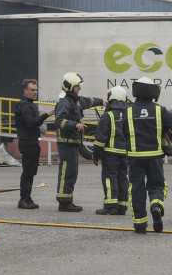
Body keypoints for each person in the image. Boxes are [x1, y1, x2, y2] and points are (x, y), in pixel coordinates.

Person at [123, 77, 172, 233]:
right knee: (157, 185)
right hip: (155, 157)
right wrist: (164, 131)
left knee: (136, 189)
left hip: (135, 158)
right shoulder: (159, 110)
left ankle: (140, 225)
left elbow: (123, 132)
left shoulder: (128, 111)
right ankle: (156, 205)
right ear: (153, 92)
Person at [54, 72, 104, 211]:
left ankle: (68, 199)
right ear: (69, 87)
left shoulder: (75, 100)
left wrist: (102, 101)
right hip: (66, 144)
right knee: (66, 172)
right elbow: (59, 121)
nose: (79, 88)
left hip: (73, 143)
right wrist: (75, 125)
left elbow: (88, 101)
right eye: (77, 86)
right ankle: (64, 203)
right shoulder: (64, 103)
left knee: (72, 172)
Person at [14, 78, 52, 209]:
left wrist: (41, 125)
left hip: (33, 141)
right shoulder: (24, 105)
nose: (35, 92)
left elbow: (34, 122)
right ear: (25, 91)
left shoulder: (31, 105)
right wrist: (46, 115)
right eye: (32, 90)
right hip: (27, 142)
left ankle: (28, 197)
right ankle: (23, 199)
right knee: (27, 171)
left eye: (36, 90)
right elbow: (30, 122)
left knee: (31, 171)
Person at [92, 85, 129, 215]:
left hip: (110, 153)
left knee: (109, 178)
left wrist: (96, 153)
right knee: (122, 178)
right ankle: (122, 206)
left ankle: (110, 205)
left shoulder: (108, 115)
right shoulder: (129, 114)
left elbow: (101, 137)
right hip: (125, 154)